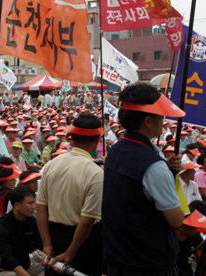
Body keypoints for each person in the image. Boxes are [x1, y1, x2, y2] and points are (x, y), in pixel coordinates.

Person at [102, 83, 185, 275]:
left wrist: (168, 171)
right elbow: (176, 219)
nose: (163, 121)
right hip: (147, 263)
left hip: (118, 256)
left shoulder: (115, 150)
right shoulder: (153, 166)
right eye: (161, 116)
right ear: (148, 121)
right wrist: (165, 172)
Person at [38, 113, 106, 276]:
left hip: (53, 236)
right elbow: (87, 220)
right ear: (97, 141)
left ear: (72, 138)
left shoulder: (50, 165)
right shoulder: (95, 173)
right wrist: (70, 253)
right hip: (82, 243)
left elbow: (41, 208)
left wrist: (47, 244)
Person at [0, 186, 43, 276]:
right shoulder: (1, 225)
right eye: (30, 203)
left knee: (52, 270)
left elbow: (40, 246)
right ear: (17, 205)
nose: (33, 207)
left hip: (26, 266)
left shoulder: (31, 221)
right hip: (2, 270)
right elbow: (7, 257)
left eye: (34, 203)